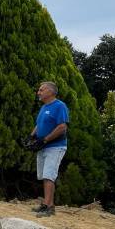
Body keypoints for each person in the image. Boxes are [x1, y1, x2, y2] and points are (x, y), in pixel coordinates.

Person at [30, 81, 69, 217]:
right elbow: (39, 125)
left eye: (41, 90)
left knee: (49, 176)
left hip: (55, 146)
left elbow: (62, 127)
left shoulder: (59, 106)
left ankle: (47, 207)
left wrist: (45, 139)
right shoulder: (44, 107)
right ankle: (48, 205)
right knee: (44, 176)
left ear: (51, 92)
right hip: (43, 147)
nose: (38, 92)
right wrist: (31, 137)